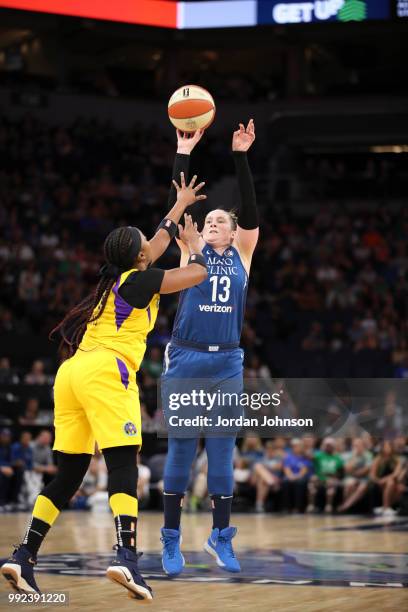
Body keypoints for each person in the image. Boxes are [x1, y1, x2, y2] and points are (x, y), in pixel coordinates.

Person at [1, 174, 207, 600]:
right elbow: (197, 275)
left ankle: (23, 555)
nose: (149, 244)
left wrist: (179, 199)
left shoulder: (117, 280)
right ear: (139, 255)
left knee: (70, 474)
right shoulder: (140, 280)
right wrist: (196, 248)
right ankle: (126, 557)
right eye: (143, 244)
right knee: (123, 465)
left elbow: (159, 238)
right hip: (104, 373)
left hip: (72, 374)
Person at [160, 120, 258, 576]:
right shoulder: (190, 248)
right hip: (187, 355)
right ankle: (171, 538)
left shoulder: (243, 254)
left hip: (228, 359)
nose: (214, 223)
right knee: (181, 449)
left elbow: (251, 210)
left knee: (222, 450)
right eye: (211, 220)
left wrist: (240, 156)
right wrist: (184, 153)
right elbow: (175, 210)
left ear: (235, 233)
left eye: (223, 221)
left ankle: (220, 536)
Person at [307, 437, 344, 514]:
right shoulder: (319, 455)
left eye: (330, 445)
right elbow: (309, 456)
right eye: (326, 445)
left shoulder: (337, 457)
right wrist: (310, 445)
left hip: (332, 479)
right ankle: (311, 505)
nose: (328, 447)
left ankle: (328, 506)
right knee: (312, 483)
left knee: (330, 487)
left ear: (333, 446)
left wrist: (332, 476)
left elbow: (341, 473)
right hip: (320, 479)